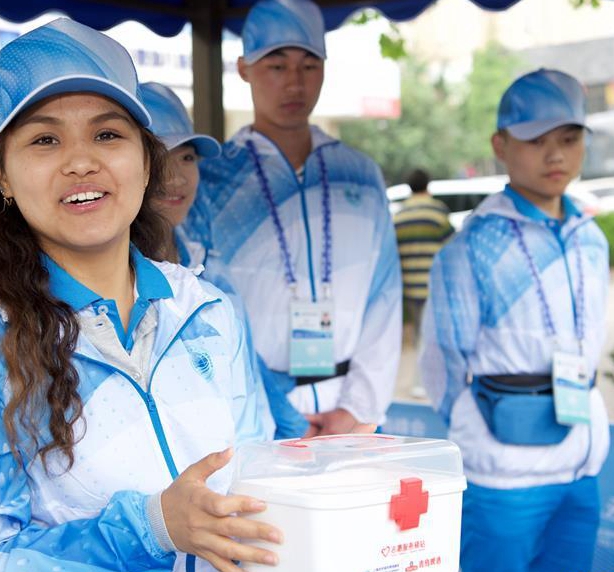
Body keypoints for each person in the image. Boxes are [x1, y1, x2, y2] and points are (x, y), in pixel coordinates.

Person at [0, 18, 281, 572]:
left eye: (107, 135)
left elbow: (260, 487)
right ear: (3, 176)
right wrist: (149, 529)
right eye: (45, 139)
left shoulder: (206, 310)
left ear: (147, 162)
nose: (81, 162)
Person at [419, 68, 610, 572]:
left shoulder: (591, 238)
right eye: (536, 140)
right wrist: (480, 433)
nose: (555, 155)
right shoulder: (472, 246)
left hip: (581, 463)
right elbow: (441, 362)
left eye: (568, 138)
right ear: (500, 145)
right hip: (503, 472)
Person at [185, 0, 402, 438]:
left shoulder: (359, 173)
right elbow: (200, 306)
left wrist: (360, 409)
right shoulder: (213, 177)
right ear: (244, 69)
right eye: (276, 65)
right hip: (251, 415)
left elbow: (385, 294)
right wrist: (270, 411)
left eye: (309, 65)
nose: (294, 83)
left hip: (350, 417)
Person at [140, 81, 307, 439]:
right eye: (159, 158)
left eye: (187, 158)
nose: (176, 177)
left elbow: (247, 367)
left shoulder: (207, 264)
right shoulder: (118, 281)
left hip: (251, 460)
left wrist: (293, 430)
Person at [393, 168, 453, 346]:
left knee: (420, 335)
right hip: (436, 285)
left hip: (410, 287)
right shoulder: (437, 211)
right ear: (427, 184)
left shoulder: (399, 216)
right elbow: (452, 247)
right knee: (437, 337)